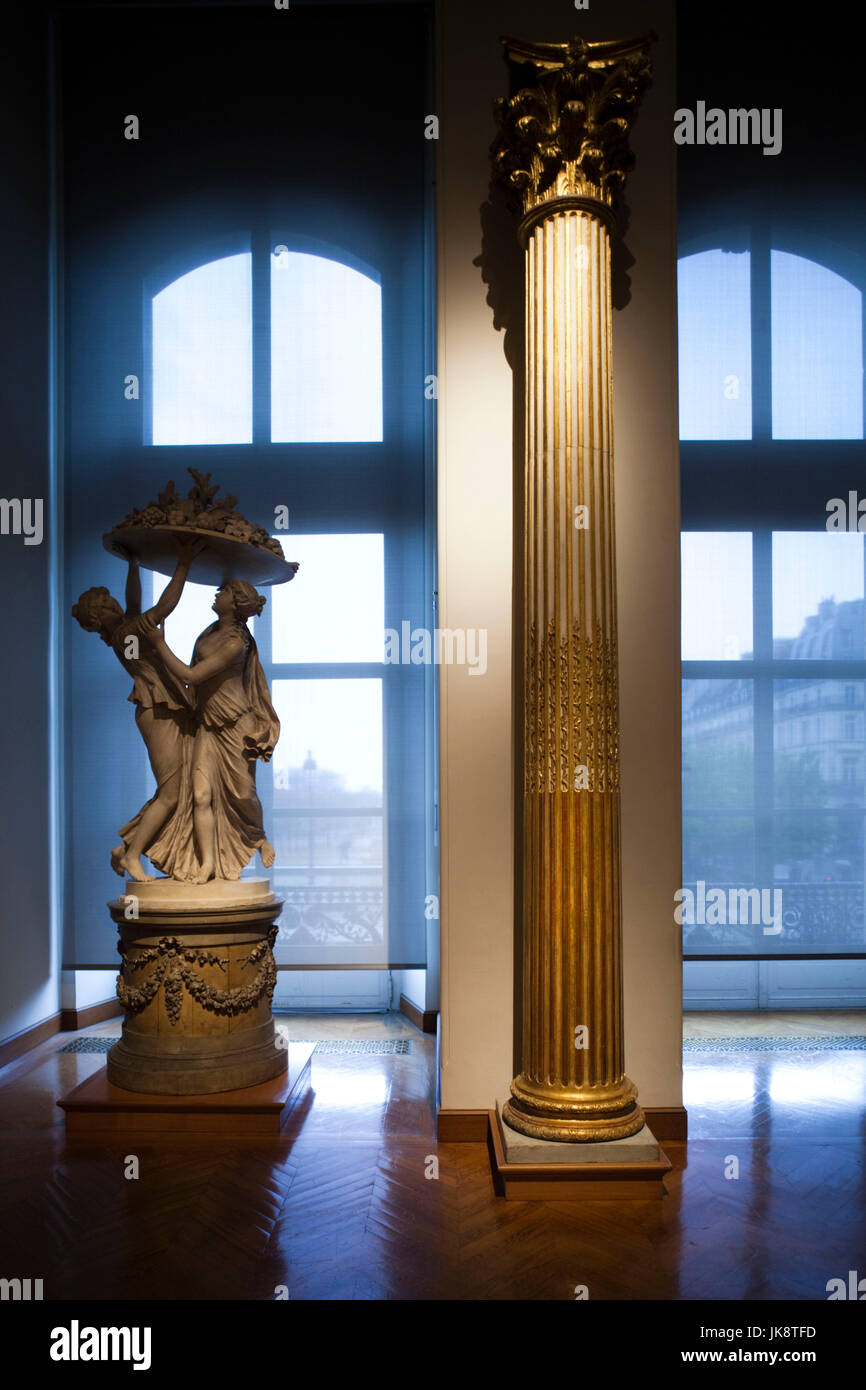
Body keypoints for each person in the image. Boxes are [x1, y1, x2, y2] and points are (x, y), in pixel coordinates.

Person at [71, 542, 201, 881]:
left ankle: (128, 845)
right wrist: (183, 562)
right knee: (172, 791)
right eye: (106, 604)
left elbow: (134, 602)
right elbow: (163, 608)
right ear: (99, 617)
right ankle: (132, 856)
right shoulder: (126, 634)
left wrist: (134, 563)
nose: (114, 603)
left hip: (167, 706)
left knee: (176, 787)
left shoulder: (125, 627)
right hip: (157, 708)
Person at [143, 579, 279, 882]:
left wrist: (158, 644)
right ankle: (206, 864)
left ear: (236, 602)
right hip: (208, 724)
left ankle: (258, 837)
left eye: (226, 591)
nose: (219, 593)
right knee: (200, 795)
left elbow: (192, 675)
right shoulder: (209, 632)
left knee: (243, 793)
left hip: (235, 726)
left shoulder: (235, 643)